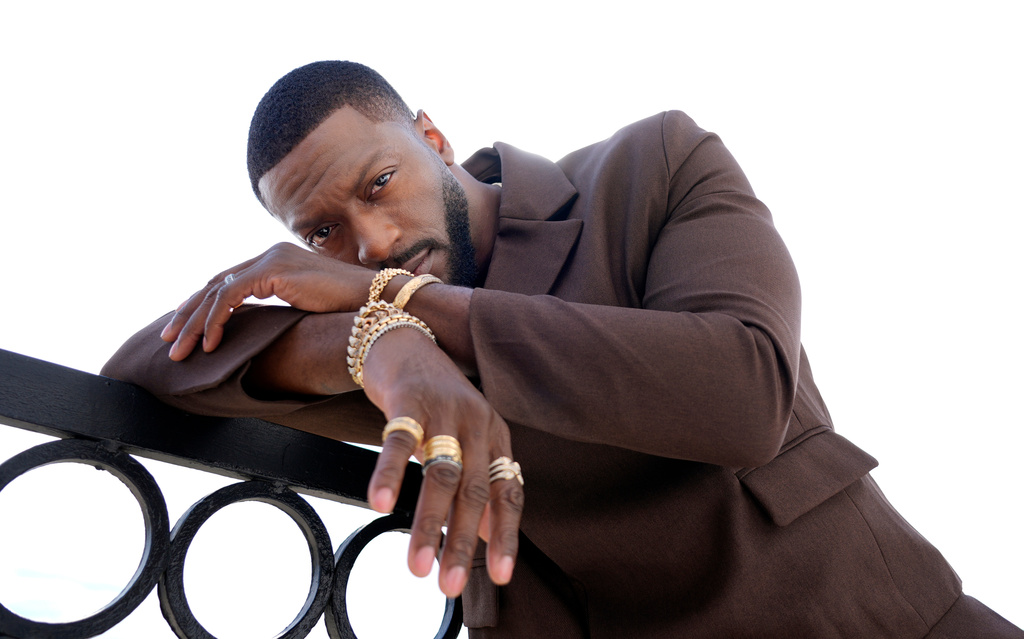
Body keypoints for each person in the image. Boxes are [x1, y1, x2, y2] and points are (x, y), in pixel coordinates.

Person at [103, 60, 1022, 638]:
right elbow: (140, 372)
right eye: (324, 235)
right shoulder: (388, 340)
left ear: (431, 136)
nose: (372, 240)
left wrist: (405, 299)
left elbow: (742, 390)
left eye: (380, 183)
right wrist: (381, 348)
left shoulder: (652, 167)